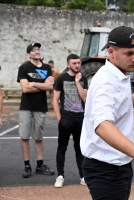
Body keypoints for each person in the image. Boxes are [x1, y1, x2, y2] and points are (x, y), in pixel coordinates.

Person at [80, 26, 134, 200]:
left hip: (118, 165)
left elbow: (122, 106)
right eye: (129, 53)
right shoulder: (106, 81)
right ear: (111, 52)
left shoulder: (120, 73)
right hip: (105, 169)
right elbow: (102, 126)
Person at [17, 43, 55, 178]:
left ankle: (40, 165)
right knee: (25, 136)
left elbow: (51, 87)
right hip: (26, 107)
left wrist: (33, 83)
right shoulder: (24, 68)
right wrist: (43, 85)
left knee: (38, 137)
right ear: (29, 54)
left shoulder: (46, 68)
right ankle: (27, 166)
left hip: (41, 107)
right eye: (33, 50)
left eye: (38, 49)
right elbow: (25, 89)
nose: (37, 52)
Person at [52, 54, 88, 188]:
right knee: (62, 148)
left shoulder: (83, 78)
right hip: (66, 118)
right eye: (74, 63)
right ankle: (60, 176)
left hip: (80, 118)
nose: (77, 65)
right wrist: (59, 117)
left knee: (80, 149)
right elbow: (55, 100)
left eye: (78, 63)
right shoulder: (61, 78)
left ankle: (82, 176)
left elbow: (85, 98)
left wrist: (78, 83)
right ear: (68, 64)